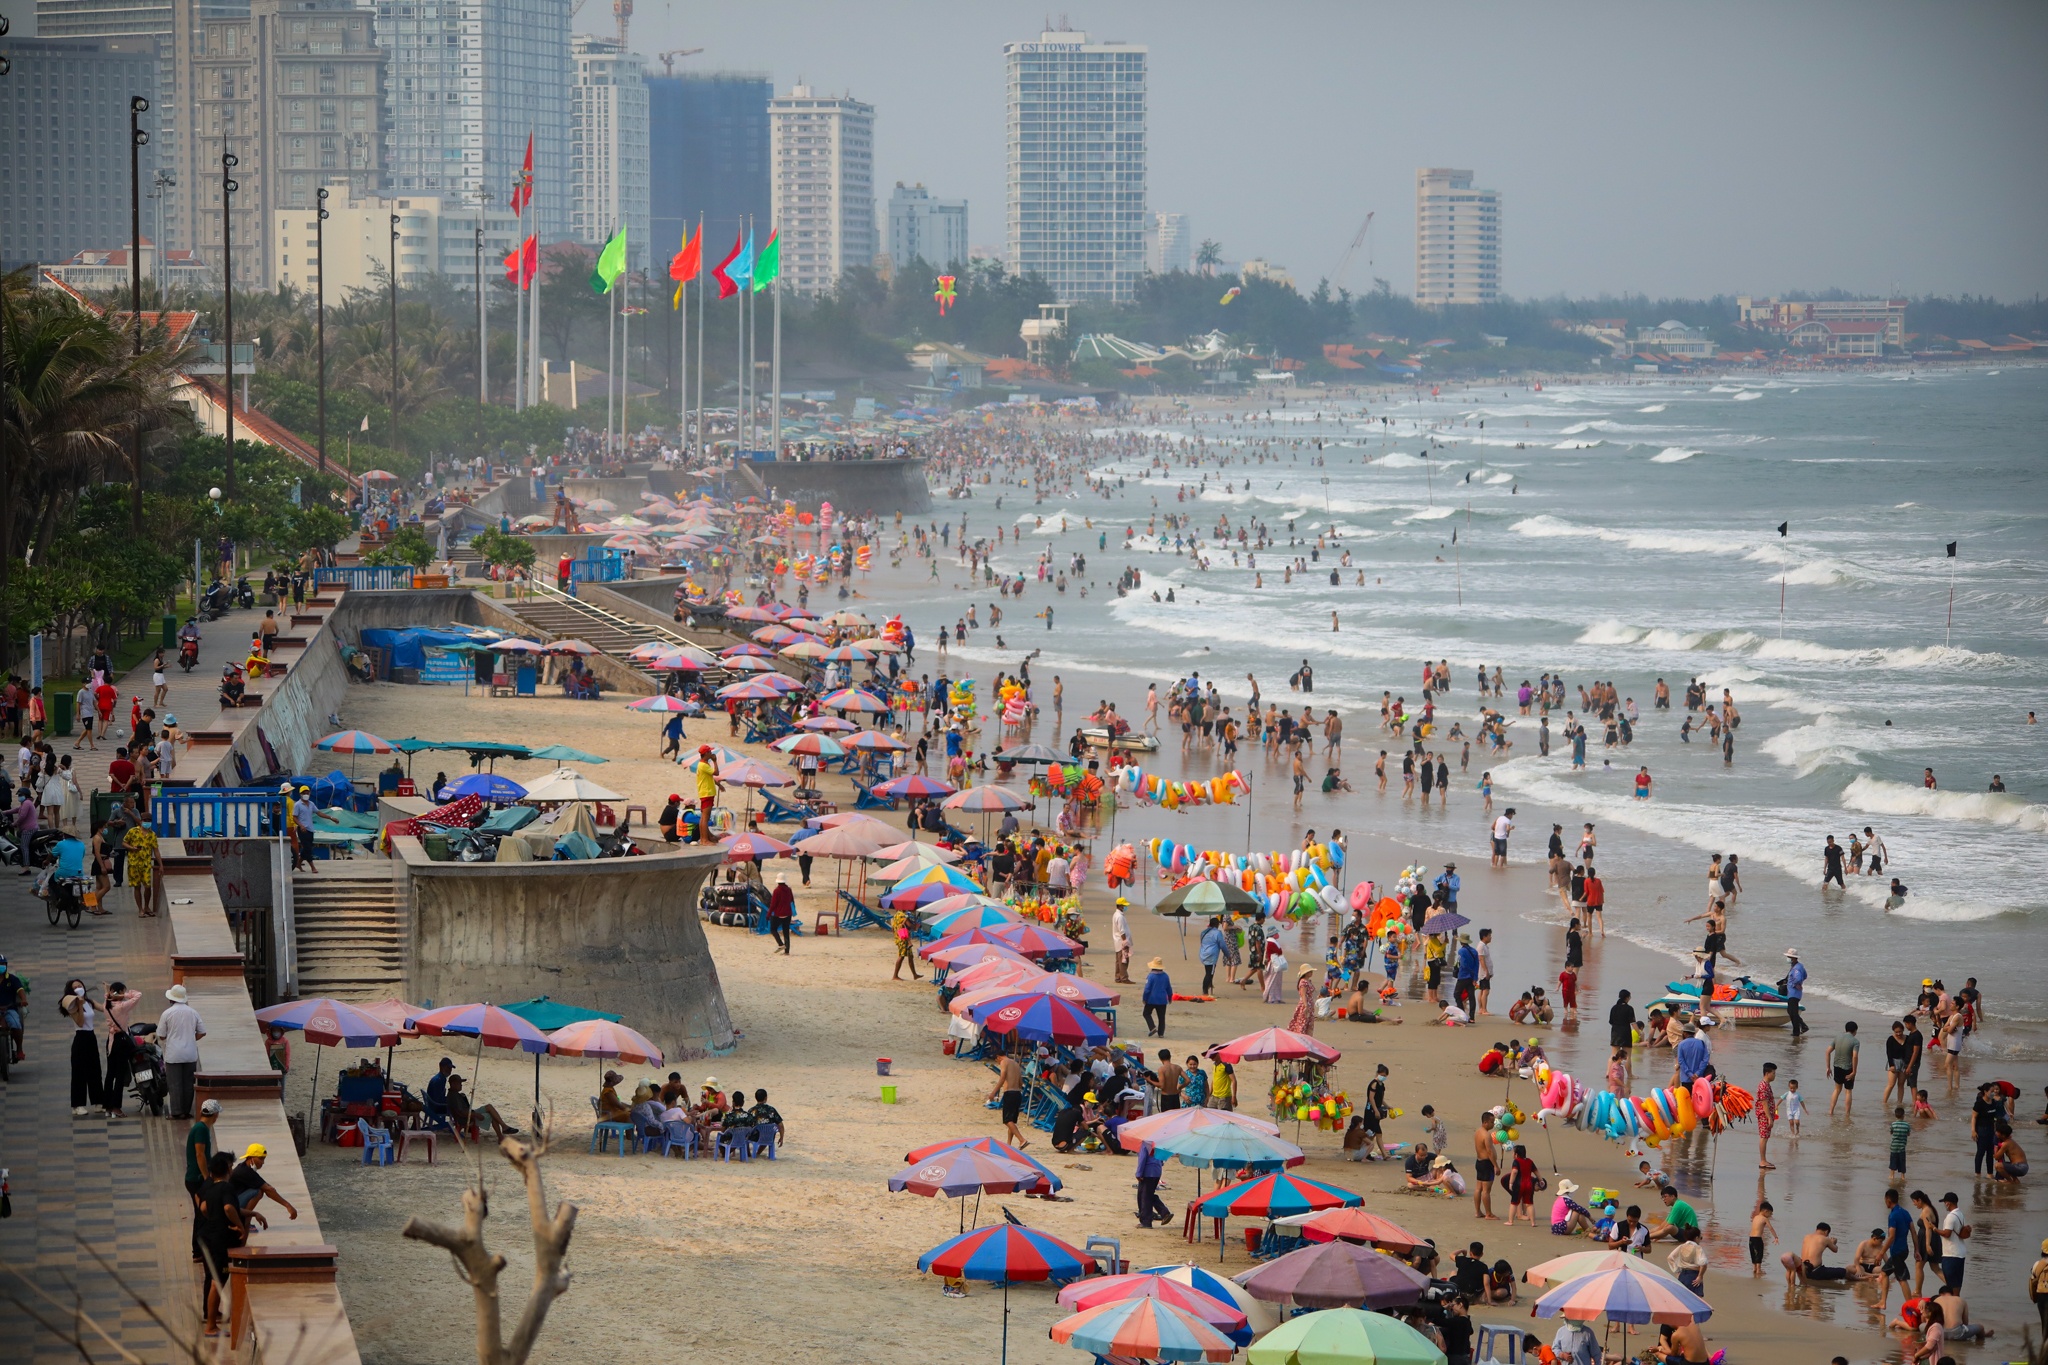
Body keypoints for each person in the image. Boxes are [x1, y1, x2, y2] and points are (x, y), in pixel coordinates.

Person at [194, 1150, 245, 1338]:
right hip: (221, 1241)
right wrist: (240, 1226)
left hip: (210, 1238)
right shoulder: (226, 1188)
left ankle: (212, 1318)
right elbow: (229, 1207)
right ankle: (211, 1327)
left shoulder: (210, 1187)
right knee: (218, 1282)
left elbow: (203, 1207)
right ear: (227, 1169)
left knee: (214, 1279)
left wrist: (213, 1219)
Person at [157, 983, 205, 1119]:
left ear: (171, 999)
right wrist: (191, 1039)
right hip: (190, 1053)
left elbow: (161, 1035)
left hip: (173, 1054)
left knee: (174, 1084)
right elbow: (202, 1032)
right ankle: (186, 1111)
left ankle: (176, 1112)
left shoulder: (167, 1013)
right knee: (188, 1084)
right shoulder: (193, 1012)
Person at [228, 1142, 299, 1230]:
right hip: (231, 1206)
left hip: (233, 1202)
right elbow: (268, 1190)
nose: (263, 1162)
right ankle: (244, 1222)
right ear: (250, 1158)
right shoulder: (245, 1172)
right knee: (258, 1192)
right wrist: (288, 1206)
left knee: (258, 1189)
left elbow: (267, 1187)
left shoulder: (245, 1168)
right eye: (260, 1159)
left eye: (264, 1159)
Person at [989, 1051, 1028, 1150]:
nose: (998, 1063)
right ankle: (1008, 1144)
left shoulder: (1004, 1062)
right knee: (1012, 1121)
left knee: (1007, 1120)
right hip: (1017, 1093)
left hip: (1009, 1093)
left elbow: (1002, 1078)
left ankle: (1022, 1140)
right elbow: (1020, 1082)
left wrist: (993, 1092)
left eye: (996, 1061)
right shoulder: (1015, 1063)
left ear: (998, 1057)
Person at [1936, 1192, 1970, 1292]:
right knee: (1957, 1284)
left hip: (1951, 1254)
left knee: (1950, 1285)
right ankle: (1957, 1300)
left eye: (1945, 1203)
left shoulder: (1950, 1217)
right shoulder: (1960, 1214)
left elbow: (1947, 1233)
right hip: (1960, 1253)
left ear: (1948, 1203)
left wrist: (1934, 1229)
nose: (1944, 1205)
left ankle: (1953, 1301)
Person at [1135, 1139, 1173, 1228]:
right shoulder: (1157, 1143)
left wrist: (1139, 1173)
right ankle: (1164, 1213)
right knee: (1148, 1195)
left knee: (1145, 1197)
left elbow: (1142, 1159)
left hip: (1148, 1172)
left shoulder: (1145, 1143)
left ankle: (1146, 1221)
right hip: (1156, 1171)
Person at [1828, 1020, 1861, 1116]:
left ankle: (1831, 1111)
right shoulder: (1855, 1041)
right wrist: (1854, 1071)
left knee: (1837, 1089)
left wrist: (1828, 1067)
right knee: (1848, 1091)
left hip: (1837, 1066)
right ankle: (1847, 1114)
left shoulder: (1837, 1037)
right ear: (1855, 1031)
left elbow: (1827, 1052)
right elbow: (1855, 1056)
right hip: (1848, 1068)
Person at [1142, 956, 1172, 1037]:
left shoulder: (1151, 976)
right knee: (1161, 1017)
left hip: (1151, 999)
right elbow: (1169, 988)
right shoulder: (1165, 976)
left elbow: (1147, 989)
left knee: (1146, 1013)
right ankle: (1161, 1033)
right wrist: (1170, 997)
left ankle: (1152, 1027)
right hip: (1162, 999)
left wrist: (1144, 998)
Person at [767, 872, 795, 954]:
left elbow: (773, 904)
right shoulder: (789, 890)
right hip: (788, 914)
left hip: (778, 914)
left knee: (773, 929)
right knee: (786, 932)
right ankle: (787, 951)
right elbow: (792, 900)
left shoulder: (776, 891)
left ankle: (780, 944)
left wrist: (768, 914)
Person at [1750, 1198, 1777, 1277]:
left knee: (1753, 1253)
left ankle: (1754, 1268)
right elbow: (1771, 1228)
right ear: (1766, 1211)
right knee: (1759, 1253)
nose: (1770, 1216)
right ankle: (1759, 1270)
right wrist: (1776, 1237)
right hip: (1758, 1239)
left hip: (1751, 1238)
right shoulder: (1764, 1219)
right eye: (1770, 1214)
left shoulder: (1755, 1217)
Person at [1198, 917, 1224, 995]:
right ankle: (1205, 990)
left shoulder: (1204, 932)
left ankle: (1209, 984)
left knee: (1208, 971)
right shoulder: (1218, 933)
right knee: (1209, 973)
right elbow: (1222, 945)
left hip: (1203, 953)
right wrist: (1228, 955)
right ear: (1217, 924)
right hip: (1211, 956)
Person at [1111, 898, 1133, 984]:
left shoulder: (1117, 914)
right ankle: (1124, 978)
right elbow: (1122, 930)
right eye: (1124, 906)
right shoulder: (1119, 916)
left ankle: (1118, 977)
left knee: (1119, 960)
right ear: (1120, 906)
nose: (1125, 907)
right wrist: (1125, 941)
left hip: (1118, 941)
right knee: (1124, 960)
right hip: (1121, 941)